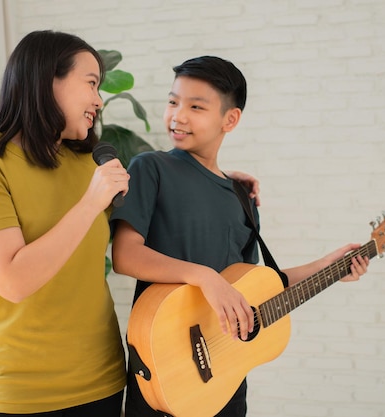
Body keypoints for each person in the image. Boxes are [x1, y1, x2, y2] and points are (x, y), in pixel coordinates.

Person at [110, 56, 370, 416]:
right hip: (165, 367)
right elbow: (125, 256)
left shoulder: (242, 196)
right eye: (173, 102)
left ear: (229, 119)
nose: (178, 115)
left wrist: (326, 266)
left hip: (227, 379)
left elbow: (249, 289)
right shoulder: (151, 168)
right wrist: (204, 276)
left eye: (196, 107)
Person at [0, 30, 131, 416]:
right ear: (48, 80)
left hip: (104, 381)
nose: (99, 100)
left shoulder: (89, 162)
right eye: (91, 83)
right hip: (22, 395)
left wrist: (220, 181)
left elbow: (145, 233)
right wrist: (90, 203)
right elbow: (14, 281)